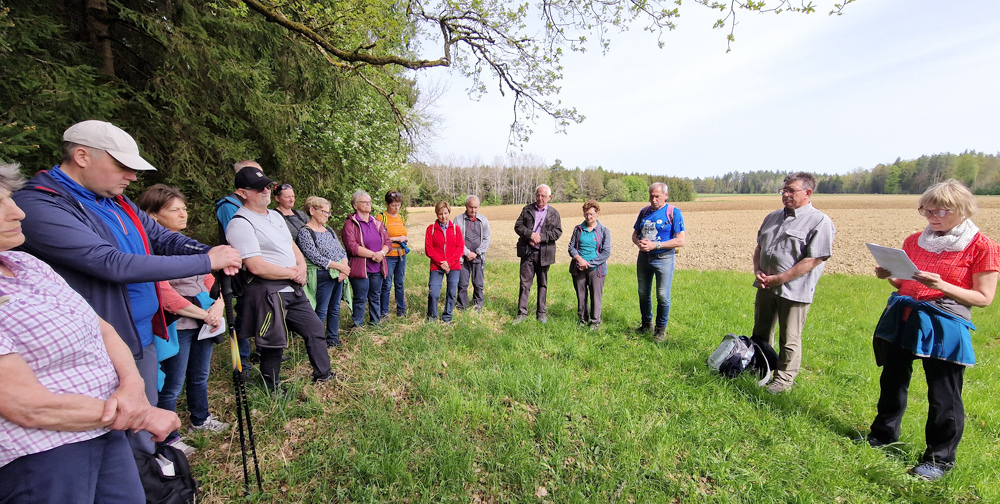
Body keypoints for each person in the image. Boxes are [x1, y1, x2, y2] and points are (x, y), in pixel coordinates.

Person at [13, 120, 241, 454]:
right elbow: (111, 263)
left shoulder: (117, 202)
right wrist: (207, 261)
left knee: (141, 422)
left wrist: (211, 253)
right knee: (108, 433)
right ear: (82, 156)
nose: (132, 177)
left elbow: (162, 238)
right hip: (91, 345)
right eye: (122, 166)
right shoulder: (41, 205)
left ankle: (150, 465)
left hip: (139, 336)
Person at [0, 163, 180, 503]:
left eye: (10, 198)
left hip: (105, 430)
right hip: (43, 454)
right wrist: (140, 413)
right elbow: (25, 406)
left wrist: (132, 384)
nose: (18, 212)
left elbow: (103, 328)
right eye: (1, 203)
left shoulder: (27, 265)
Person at [861, 180, 998, 481]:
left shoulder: (982, 246)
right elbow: (906, 282)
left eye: (940, 211)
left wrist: (941, 285)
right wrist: (890, 276)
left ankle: (939, 459)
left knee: (943, 394)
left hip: (945, 324)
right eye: (926, 210)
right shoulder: (915, 240)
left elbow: (984, 297)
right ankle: (883, 434)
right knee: (892, 380)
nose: (932, 216)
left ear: (963, 210)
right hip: (905, 317)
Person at [136, 184, 230, 456]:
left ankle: (200, 419)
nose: (183, 214)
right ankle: (168, 437)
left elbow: (210, 278)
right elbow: (164, 294)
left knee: (200, 376)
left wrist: (219, 305)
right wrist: (205, 314)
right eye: (174, 210)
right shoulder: (149, 251)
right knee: (172, 383)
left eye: (184, 208)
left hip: (206, 322)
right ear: (152, 216)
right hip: (178, 325)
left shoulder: (188, 244)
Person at [225, 167, 333, 393]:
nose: (265, 191)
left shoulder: (275, 216)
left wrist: (301, 267)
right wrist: (292, 273)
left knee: (314, 328)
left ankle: (324, 375)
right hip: (267, 289)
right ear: (242, 193)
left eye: (267, 186)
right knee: (273, 340)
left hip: (292, 286)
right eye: (258, 189)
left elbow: (291, 245)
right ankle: (271, 388)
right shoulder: (240, 223)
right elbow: (255, 266)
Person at [751, 172, 834, 394]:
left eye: (791, 190)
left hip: (795, 290)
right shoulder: (772, 217)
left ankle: (783, 379)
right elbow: (760, 247)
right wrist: (758, 270)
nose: (785, 194)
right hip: (765, 285)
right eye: (784, 190)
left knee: (790, 337)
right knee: (760, 331)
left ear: (808, 192)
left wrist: (780, 278)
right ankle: (760, 367)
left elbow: (813, 260)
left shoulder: (819, 221)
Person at [216, 160, 258, 372]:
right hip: (239, 270)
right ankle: (242, 363)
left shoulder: (254, 205)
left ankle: (260, 351)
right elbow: (237, 237)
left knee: (257, 311)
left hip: (256, 268)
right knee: (241, 315)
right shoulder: (228, 206)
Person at [632, 182, 686, 342]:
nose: (653, 199)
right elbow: (635, 234)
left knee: (662, 295)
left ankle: (660, 330)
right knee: (643, 292)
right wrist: (639, 243)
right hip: (644, 258)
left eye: (657, 196)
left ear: (666, 196)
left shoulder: (673, 213)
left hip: (664, 258)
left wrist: (656, 245)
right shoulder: (644, 212)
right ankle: (646, 324)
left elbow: (680, 240)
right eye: (651, 196)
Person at [297, 196, 351, 348]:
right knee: (321, 309)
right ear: (312, 210)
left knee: (335, 308)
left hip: (337, 274)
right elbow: (314, 256)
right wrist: (338, 267)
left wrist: (344, 267)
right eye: (324, 212)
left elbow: (341, 251)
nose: (327, 215)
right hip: (322, 275)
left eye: (328, 212)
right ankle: (317, 342)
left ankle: (332, 338)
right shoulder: (305, 232)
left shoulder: (329, 230)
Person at [514, 184, 562, 323]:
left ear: (549, 197)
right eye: (538, 195)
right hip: (527, 253)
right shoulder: (527, 209)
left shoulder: (554, 213)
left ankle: (541, 314)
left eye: (543, 196)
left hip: (544, 254)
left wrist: (541, 237)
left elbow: (557, 232)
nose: (540, 198)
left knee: (542, 284)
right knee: (525, 284)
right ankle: (522, 313)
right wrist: (530, 234)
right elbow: (518, 226)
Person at [342, 190, 391, 328]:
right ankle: (358, 325)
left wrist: (381, 253)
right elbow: (352, 247)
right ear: (355, 205)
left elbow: (388, 243)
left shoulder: (377, 223)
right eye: (364, 202)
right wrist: (374, 255)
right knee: (360, 298)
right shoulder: (350, 224)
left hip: (377, 267)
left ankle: (375, 323)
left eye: (369, 202)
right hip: (360, 268)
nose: (368, 204)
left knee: (375, 296)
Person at [568, 200, 611, 329]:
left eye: (591, 214)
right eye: (586, 214)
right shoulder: (578, 229)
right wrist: (579, 259)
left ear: (598, 213)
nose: (588, 217)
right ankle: (582, 320)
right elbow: (571, 247)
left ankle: (595, 321)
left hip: (596, 269)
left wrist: (589, 263)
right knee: (581, 295)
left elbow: (606, 252)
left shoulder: (604, 231)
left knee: (595, 296)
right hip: (578, 267)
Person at [425, 201, 463, 323]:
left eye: (445, 213)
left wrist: (449, 263)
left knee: (451, 292)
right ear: (436, 214)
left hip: (454, 266)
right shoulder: (431, 229)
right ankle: (432, 317)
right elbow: (429, 249)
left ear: (449, 213)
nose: (443, 216)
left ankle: (447, 317)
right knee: (433, 293)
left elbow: (460, 248)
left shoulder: (456, 229)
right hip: (437, 265)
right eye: (440, 214)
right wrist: (441, 262)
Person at [454, 195, 491, 311]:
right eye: (471, 207)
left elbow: (486, 238)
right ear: (466, 206)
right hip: (463, 257)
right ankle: (462, 306)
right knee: (462, 283)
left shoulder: (483, 220)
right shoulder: (458, 219)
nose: (473, 210)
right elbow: (456, 238)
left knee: (478, 283)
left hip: (478, 257)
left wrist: (477, 252)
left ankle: (478, 306)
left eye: (476, 207)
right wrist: (467, 253)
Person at [377, 190, 408, 318]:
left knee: (400, 283)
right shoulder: (381, 217)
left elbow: (404, 232)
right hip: (388, 256)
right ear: (387, 204)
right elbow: (378, 238)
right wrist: (395, 239)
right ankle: (384, 312)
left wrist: (404, 238)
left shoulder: (400, 217)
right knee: (387, 284)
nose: (396, 208)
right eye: (393, 205)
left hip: (401, 255)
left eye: (398, 205)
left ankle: (401, 310)